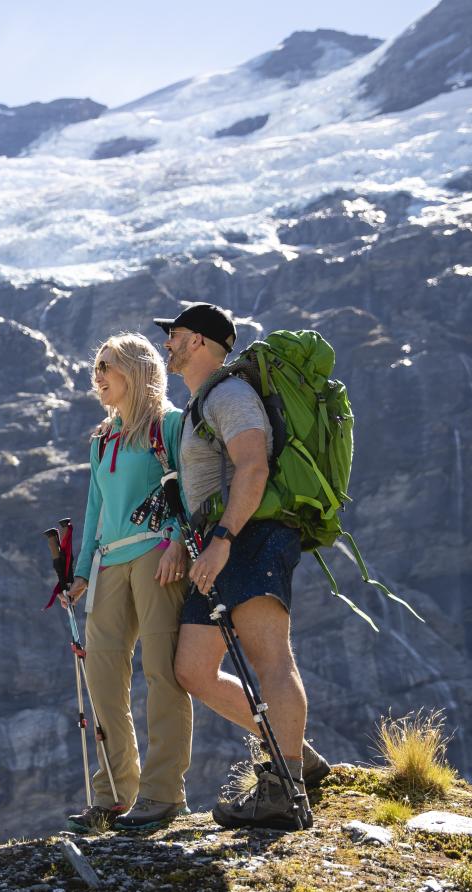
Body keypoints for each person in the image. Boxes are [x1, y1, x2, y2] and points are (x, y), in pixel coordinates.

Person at [155, 302, 331, 832]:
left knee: (270, 657)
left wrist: (225, 539)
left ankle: (283, 787)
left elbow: (253, 466)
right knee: (192, 669)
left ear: (203, 342)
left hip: (249, 538)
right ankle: (294, 754)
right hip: (219, 543)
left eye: (177, 335)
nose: (169, 344)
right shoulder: (202, 401)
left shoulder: (230, 395)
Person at [63, 333, 193, 833]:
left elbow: (191, 489)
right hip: (108, 563)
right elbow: (96, 506)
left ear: (136, 372)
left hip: (158, 555)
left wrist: (178, 542)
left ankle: (163, 794)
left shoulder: (172, 425)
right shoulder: (102, 438)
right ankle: (114, 795)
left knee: (163, 675)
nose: (97, 377)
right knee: (103, 679)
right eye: (95, 367)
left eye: (106, 367)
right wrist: (79, 574)